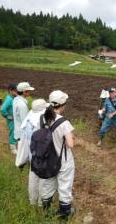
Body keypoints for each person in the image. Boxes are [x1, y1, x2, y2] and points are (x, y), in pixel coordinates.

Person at [41, 90, 75, 220]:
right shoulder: (63, 122)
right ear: (62, 105)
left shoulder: (43, 116)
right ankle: (64, 214)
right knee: (65, 185)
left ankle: (47, 212)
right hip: (63, 161)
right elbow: (70, 144)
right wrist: (71, 136)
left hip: (47, 158)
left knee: (48, 184)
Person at [15, 99, 49, 206]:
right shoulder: (40, 122)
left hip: (32, 156)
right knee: (43, 181)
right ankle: (41, 203)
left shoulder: (28, 120)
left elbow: (23, 141)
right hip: (41, 157)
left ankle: (32, 201)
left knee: (33, 178)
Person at [0, 83, 18, 154]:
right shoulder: (9, 99)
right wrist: (8, 116)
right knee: (13, 132)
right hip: (11, 119)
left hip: (15, 119)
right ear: (11, 91)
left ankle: (15, 144)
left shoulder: (13, 98)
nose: (17, 93)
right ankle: (13, 148)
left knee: (16, 131)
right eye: (16, 91)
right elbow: (2, 109)